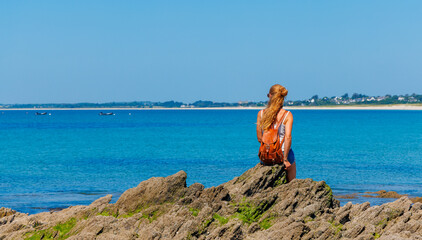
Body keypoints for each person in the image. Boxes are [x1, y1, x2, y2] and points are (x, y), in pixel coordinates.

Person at [256, 84, 296, 182]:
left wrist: (269, 147)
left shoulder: (261, 113)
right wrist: (285, 160)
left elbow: (260, 138)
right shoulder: (287, 115)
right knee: (291, 184)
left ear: (270, 96)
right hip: (282, 154)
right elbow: (288, 138)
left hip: (266, 154)